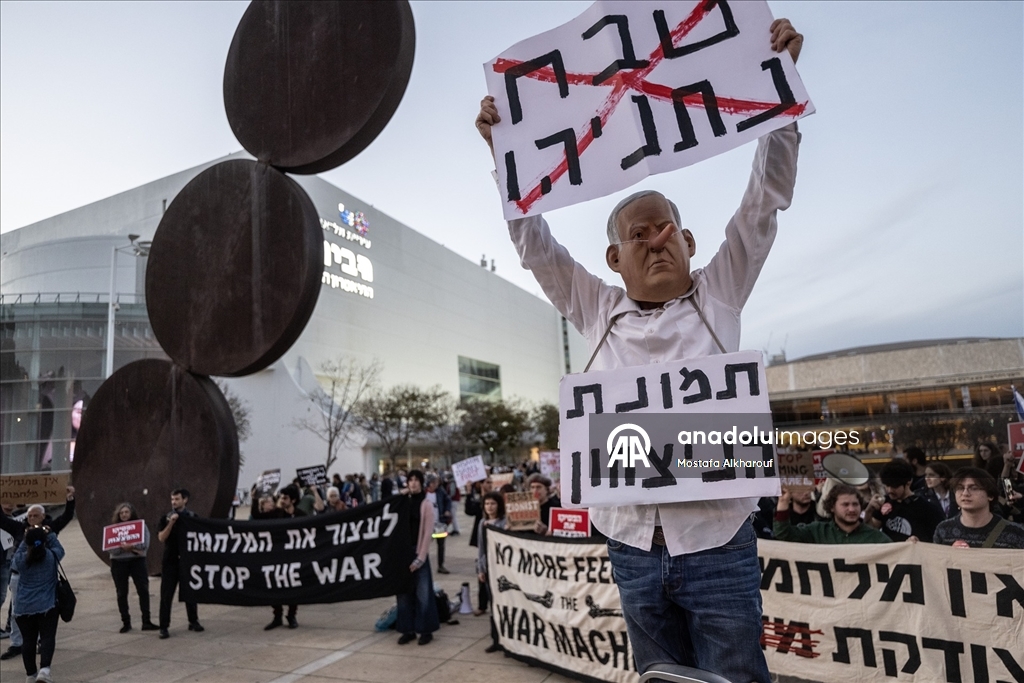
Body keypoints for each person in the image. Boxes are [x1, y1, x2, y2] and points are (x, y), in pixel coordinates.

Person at [475, 18, 803, 683]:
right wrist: (505, 151)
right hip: (630, 544)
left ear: (688, 240)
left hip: (717, 542)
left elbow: (763, 202)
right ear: (614, 258)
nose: (656, 241)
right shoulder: (595, 308)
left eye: (666, 230)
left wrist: (781, 91)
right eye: (639, 235)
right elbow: (535, 247)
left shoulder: (719, 293)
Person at [0, 486, 75, 662]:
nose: (32, 518)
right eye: (30, 516)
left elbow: (66, 516)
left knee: (45, 611)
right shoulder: (20, 528)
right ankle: (16, 643)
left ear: (43, 516)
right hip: (21, 577)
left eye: (35, 515)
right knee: (17, 612)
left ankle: (42, 641)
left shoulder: (50, 528)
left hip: (45, 578)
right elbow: (1, 520)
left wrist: (70, 500)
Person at [12, 525, 63, 683]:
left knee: (28, 641)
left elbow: (18, 553)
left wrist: (26, 536)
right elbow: (60, 549)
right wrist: (50, 533)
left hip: (23, 607)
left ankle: (30, 675)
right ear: (44, 541)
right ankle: (44, 671)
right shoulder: (51, 556)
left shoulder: (20, 559)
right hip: (47, 605)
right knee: (47, 637)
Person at [251, 485, 305, 629]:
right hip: (276, 557)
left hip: (293, 557)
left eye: (285, 498)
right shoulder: (277, 513)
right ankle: (277, 616)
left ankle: (291, 615)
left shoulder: (301, 516)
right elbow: (256, 516)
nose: (281, 500)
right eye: (281, 497)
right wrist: (254, 499)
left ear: (293, 500)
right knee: (274, 586)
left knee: (293, 587)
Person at [396, 470, 439, 645]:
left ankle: (425, 630)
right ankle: (407, 629)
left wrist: (420, 558)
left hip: (418, 550)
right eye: (410, 480)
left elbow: (428, 533)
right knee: (403, 593)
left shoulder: (426, 504)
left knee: (423, 593)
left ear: (421, 483)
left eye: (416, 480)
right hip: (403, 551)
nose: (413, 483)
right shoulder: (402, 501)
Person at [933, 468, 1024, 548]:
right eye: (960, 488)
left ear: (990, 495)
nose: (965, 493)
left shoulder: (1015, 532)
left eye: (974, 488)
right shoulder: (944, 530)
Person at [775, 484, 890, 544]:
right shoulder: (817, 532)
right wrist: (783, 503)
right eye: (845, 505)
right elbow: (783, 535)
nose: (851, 509)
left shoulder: (876, 538)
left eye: (855, 504)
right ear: (832, 507)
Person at [157, 488, 202, 639]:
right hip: (170, 561)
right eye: (172, 499)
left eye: (177, 499)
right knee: (166, 595)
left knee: (190, 592)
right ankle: (164, 626)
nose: (174, 502)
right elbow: (161, 537)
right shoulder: (166, 518)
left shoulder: (192, 517)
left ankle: (193, 621)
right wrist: (171, 523)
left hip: (187, 561)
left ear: (185, 500)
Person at [866, 459, 944, 543]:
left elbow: (938, 540)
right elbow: (871, 530)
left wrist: (919, 542)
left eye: (895, 486)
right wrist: (869, 511)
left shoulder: (927, 509)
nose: (889, 490)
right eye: (887, 485)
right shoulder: (885, 501)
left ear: (908, 482)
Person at [108, 502, 157, 633]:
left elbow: (144, 545)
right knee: (121, 593)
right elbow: (111, 549)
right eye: (121, 513)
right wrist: (124, 548)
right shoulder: (113, 529)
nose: (124, 515)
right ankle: (126, 622)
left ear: (132, 513)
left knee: (143, 590)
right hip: (119, 563)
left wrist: (131, 546)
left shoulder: (141, 526)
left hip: (137, 562)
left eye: (126, 512)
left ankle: (146, 621)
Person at [475, 491, 507, 649]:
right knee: (493, 604)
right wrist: (480, 569)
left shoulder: (505, 522)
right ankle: (496, 639)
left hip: (503, 568)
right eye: (487, 503)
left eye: (493, 503)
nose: (489, 507)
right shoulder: (482, 523)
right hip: (488, 567)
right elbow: (481, 548)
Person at [424, 474, 452, 574]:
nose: (436, 484)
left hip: (439, 522)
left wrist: (447, 510)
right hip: (426, 524)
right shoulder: (423, 493)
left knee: (441, 545)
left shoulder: (440, 492)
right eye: (434, 482)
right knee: (424, 545)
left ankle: (441, 565)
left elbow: (448, 500)